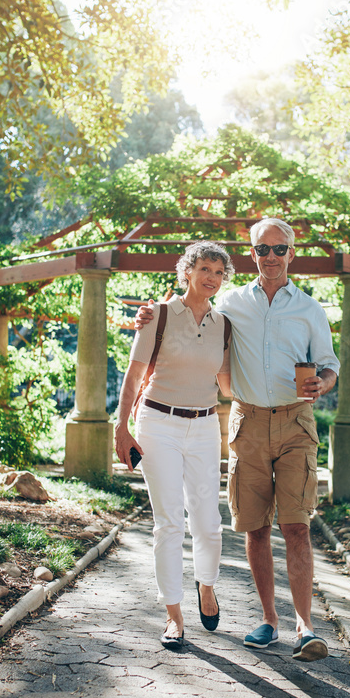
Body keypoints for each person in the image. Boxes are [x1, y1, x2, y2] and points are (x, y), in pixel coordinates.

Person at [138, 218, 339, 661]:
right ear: (252, 254)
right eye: (262, 250)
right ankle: (269, 620)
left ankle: (306, 628)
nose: (271, 257)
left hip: (295, 422)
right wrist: (149, 315)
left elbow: (328, 364)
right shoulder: (228, 303)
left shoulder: (310, 309)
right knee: (254, 527)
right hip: (246, 422)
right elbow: (190, 311)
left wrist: (322, 383)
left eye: (279, 249)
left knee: (297, 526)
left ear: (292, 253)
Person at [114, 241, 234, 651]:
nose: (211, 278)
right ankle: (174, 616)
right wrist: (121, 426)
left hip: (204, 427)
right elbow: (133, 376)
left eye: (219, 272)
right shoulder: (158, 315)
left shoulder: (224, 325)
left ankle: (206, 587)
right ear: (187, 271)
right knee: (169, 522)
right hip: (157, 424)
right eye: (204, 269)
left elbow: (229, 384)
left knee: (208, 524)